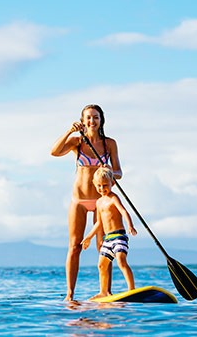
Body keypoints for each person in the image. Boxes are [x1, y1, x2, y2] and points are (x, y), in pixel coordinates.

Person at [50, 104, 122, 301]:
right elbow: (54, 152)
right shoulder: (77, 142)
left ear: (101, 120)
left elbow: (119, 173)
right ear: (83, 121)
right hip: (79, 201)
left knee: (104, 246)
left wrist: (109, 172)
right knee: (75, 246)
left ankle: (105, 292)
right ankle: (70, 295)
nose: (92, 121)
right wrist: (69, 132)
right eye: (88, 118)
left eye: (96, 117)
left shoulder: (110, 144)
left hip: (102, 201)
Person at [81, 166, 137, 299]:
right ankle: (103, 291)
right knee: (101, 265)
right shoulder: (99, 202)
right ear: (95, 185)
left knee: (121, 260)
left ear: (113, 183)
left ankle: (132, 289)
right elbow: (98, 223)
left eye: (105, 185)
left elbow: (123, 211)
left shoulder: (114, 198)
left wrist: (130, 225)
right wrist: (88, 237)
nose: (102, 188)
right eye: (99, 186)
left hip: (119, 236)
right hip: (107, 239)